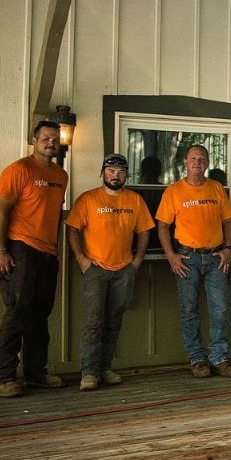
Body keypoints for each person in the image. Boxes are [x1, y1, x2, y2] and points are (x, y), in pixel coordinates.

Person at [0, 120, 69, 397]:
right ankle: (4, 377)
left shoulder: (61, 175)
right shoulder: (18, 170)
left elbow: (56, 214)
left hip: (48, 253)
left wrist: (55, 248)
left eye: (55, 139)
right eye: (45, 138)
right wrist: (0, 250)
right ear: (34, 141)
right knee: (18, 312)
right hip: (21, 249)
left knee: (40, 314)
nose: (51, 142)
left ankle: (36, 373)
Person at [66, 153, 154, 391]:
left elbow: (145, 230)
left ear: (127, 175)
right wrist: (82, 260)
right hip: (95, 269)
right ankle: (89, 373)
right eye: (112, 171)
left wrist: (136, 261)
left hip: (124, 269)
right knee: (94, 322)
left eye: (121, 172)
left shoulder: (135, 200)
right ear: (102, 172)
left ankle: (104, 368)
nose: (116, 176)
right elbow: (72, 229)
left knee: (114, 321)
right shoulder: (88, 199)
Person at [156, 144, 231, 378]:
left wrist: (229, 249)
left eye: (202, 159)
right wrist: (171, 255)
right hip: (187, 257)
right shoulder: (174, 191)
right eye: (193, 158)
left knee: (220, 309)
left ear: (207, 162)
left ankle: (219, 358)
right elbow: (162, 226)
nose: (197, 162)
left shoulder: (216, 189)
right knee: (189, 310)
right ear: (185, 162)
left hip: (215, 257)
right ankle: (198, 359)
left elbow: (228, 223)